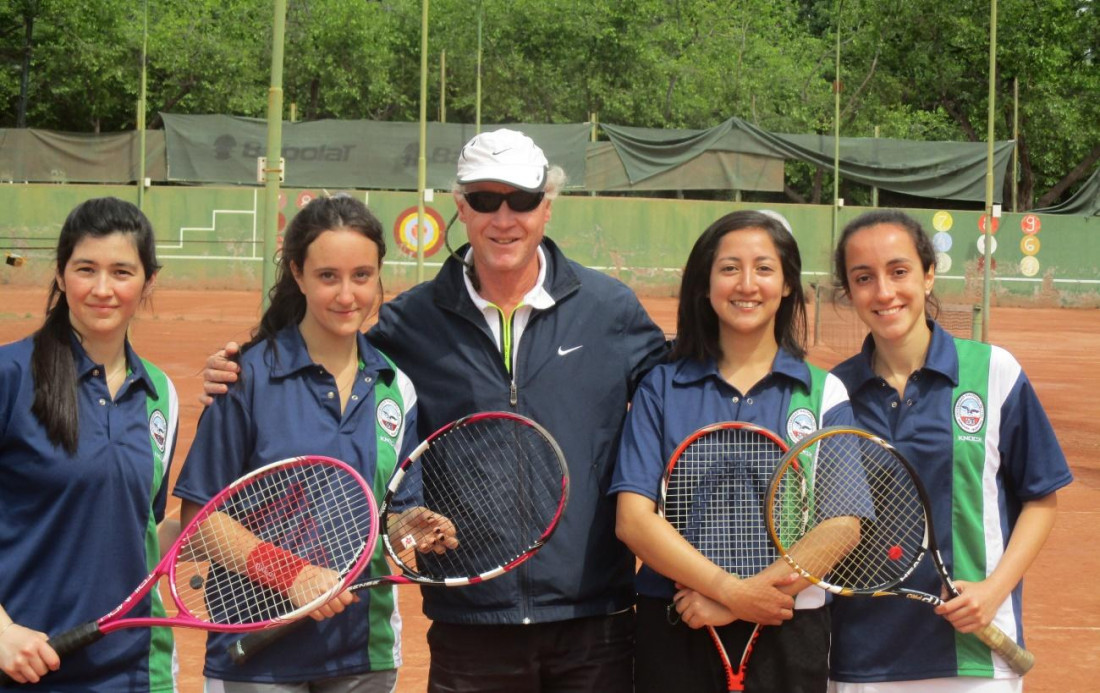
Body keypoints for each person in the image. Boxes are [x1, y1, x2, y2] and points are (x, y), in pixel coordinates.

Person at [202, 129, 668, 693]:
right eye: (485, 199)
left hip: (596, 624)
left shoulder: (609, 310)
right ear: (460, 206)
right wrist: (243, 364)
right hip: (470, 625)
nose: (504, 217)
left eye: (520, 200)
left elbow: (680, 392)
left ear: (546, 206)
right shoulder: (409, 324)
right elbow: (331, 348)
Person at [174, 194, 420, 693]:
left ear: (379, 277)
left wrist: (418, 528)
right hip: (255, 655)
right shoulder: (245, 378)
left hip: (362, 653)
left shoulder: (396, 386)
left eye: (362, 276)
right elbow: (199, 520)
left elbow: (397, 515)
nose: (347, 294)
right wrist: (292, 574)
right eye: (328, 276)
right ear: (298, 274)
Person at [827, 209, 1073, 692]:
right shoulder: (832, 393)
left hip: (975, 654)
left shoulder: (994, 372)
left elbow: (1041, 498)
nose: (884, 292)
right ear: (849, 291)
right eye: (863, 278)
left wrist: (993, 590)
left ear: (929, 274)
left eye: (899, 272)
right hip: (862, 654)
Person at [612, 210, 855, 693]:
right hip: (677, 620)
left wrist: (745, 601)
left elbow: (841, 525)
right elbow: (634, 520)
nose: (747, 284)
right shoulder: (662, 387)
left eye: (764, 268)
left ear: (787, 284)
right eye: (729, 268)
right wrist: (728, 591)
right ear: (705, 283)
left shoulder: (824, 392)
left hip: (790, 625)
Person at [0, 197, 178, 690]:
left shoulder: (161, 394)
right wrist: (3, 632)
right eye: (85, 269)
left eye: (122, 271)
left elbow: (142, 528)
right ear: (60, 275)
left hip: (132, 671)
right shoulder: (10, 375)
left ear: (149, 281)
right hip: (23, 664)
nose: (103, 289)